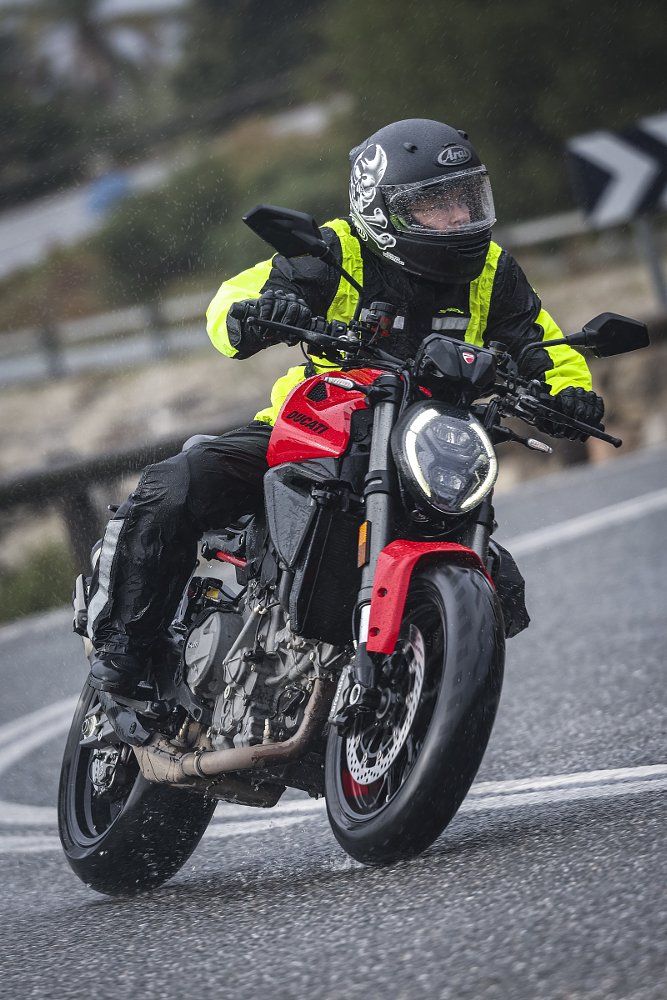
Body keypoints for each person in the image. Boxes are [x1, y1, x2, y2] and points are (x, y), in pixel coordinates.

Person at [87, 118, 604, 696]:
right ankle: (124, 655)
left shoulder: (493, 271)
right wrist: (262, 310)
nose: (459, 219)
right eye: (436, 204)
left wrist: (569, 397)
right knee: (178, 484)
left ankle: (414, 698)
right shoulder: (334, 250)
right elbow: (232, 298)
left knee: (499, 586)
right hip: (314, 428)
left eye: (466, 200)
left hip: (426, 443)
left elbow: (543, 346)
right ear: (380, 210)